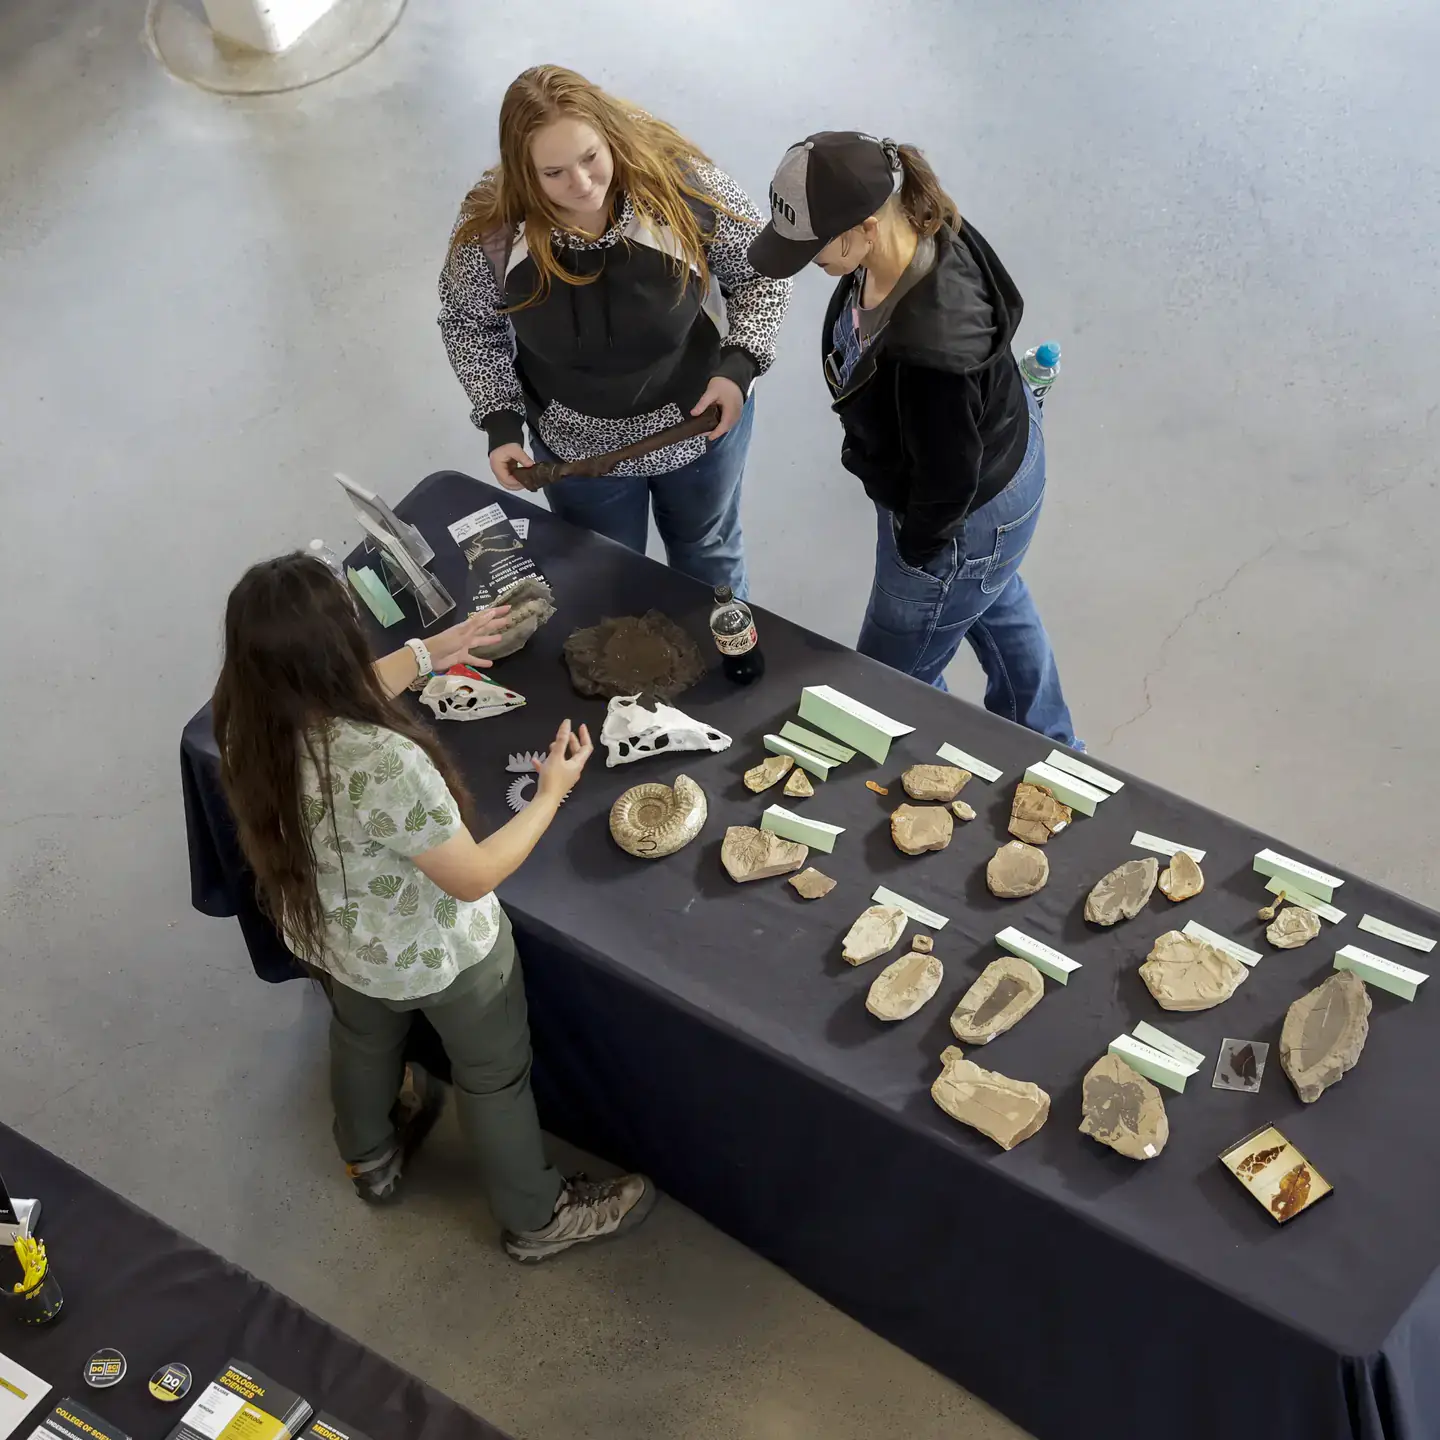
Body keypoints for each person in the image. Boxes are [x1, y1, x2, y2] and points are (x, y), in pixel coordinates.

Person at [211, 554, 655, 1262]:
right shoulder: (384, 762)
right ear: (337, 649)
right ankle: (536, 1216)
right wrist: (550, 793)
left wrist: (429, 652)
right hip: (444, 956)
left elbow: (326, 693)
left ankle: (369, 1158)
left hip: (339, 942)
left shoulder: (245, 727)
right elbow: (473, 877)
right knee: (494, 1076)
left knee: (361, 1040)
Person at [748, 132, 1078, 746]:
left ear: (866, 229)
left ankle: (940, 762)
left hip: (960, 513)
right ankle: (1055, 749)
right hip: (1002, 462)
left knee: (886, 681)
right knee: (990, 594)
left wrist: (920, 553)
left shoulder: (931, 351)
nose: (810, 262)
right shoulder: (923, 221)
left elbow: (948, 481)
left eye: (815, 247)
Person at [438, 64, 791, 600]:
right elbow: (470, 325)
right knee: (608, 581)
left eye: (590, 157)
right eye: (553, 173)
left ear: (609, 136)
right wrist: (501, 423)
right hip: (578, 455)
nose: (581, 185)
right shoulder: (494, 231)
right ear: (523, 172)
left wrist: (740, 365)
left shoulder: (680, 188)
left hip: (702, 426)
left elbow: (761, 272)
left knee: (708, 556)